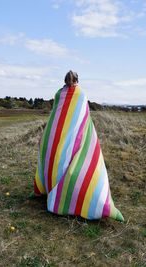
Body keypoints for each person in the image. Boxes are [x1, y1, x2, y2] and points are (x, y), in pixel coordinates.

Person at [33, 70, 123, 221]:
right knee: (68, 159)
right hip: (71, 134)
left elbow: (56, 114)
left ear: (65, 80)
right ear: (77, 80)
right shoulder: (80, 94)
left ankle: (52, 190)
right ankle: (69, 197)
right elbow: (83, 118)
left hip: (54, 133)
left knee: (55, 160)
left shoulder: (59, 93)